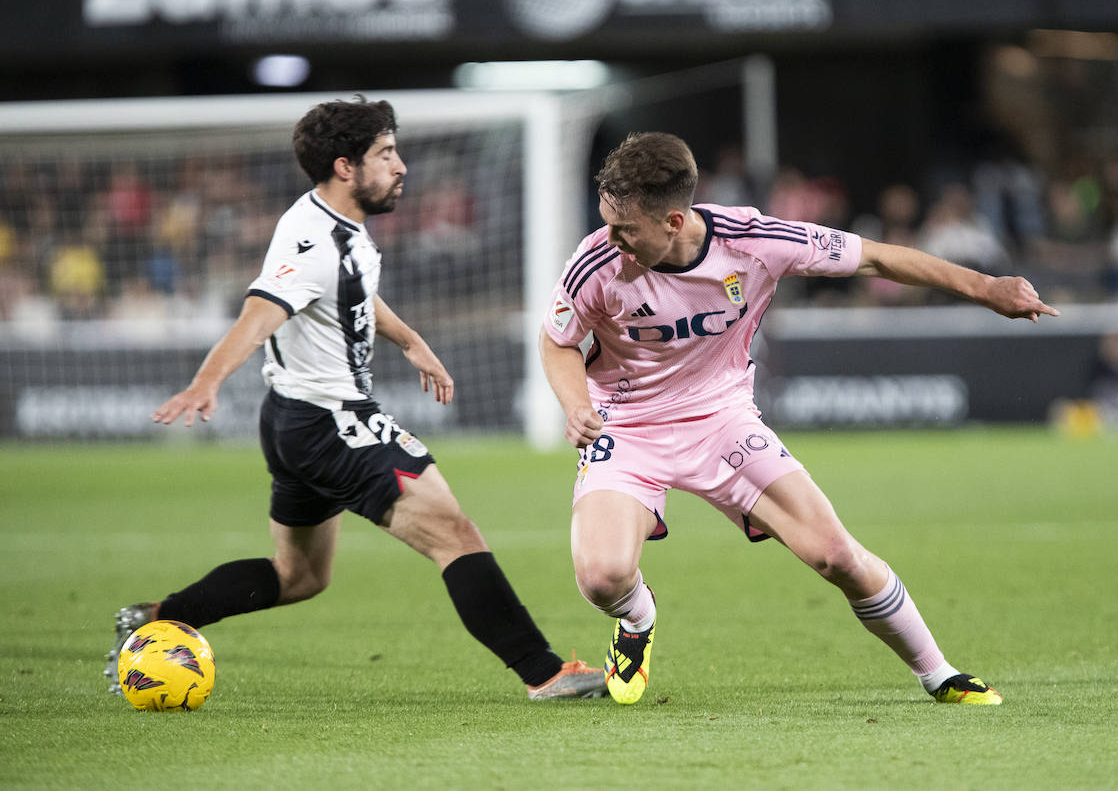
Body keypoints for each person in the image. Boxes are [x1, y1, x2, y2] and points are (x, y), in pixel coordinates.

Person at [105, 97, 606, 702]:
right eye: (386, 154)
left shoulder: (337, 227)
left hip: (293, 421)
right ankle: (545, 672)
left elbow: (354, 293)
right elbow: (258, 315)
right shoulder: (313, 243)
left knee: (300, 576)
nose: (401, 166)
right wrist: (207, 380)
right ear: (346, 167)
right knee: (456, 534)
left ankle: (159, 618)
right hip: (333, 422)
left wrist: (410, 340)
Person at [538, 132, 1058, 706]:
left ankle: (939, 673)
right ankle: (637, 619)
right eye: (607, 223)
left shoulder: (755, 241)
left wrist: (986, 287)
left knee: (836, 556)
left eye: (624, 229)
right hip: (627, 425)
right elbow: (556, 340)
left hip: (721, 420)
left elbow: (878, 257)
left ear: (674, 221)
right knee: (602, 577)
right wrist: (577, 405)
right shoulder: (595, 263)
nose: (610, 240)